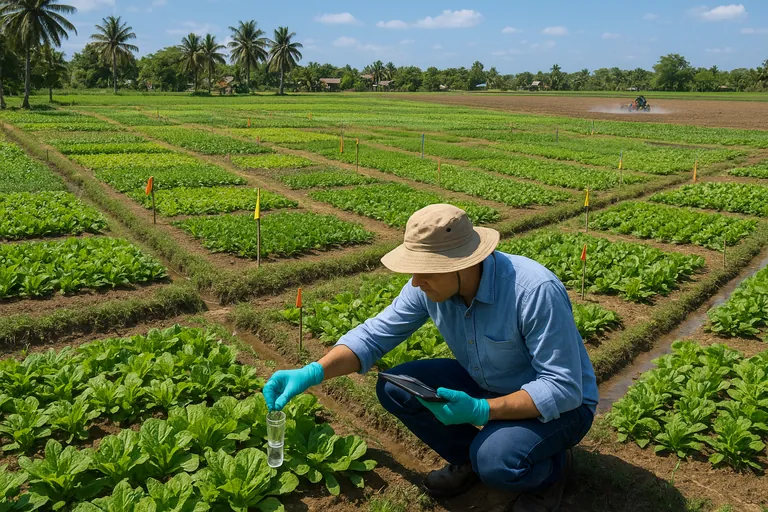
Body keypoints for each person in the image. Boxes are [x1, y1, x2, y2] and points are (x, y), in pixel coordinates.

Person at [263, 204, 598, 512]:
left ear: (463, 263)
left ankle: (551, 471)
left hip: (563, 408)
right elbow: (372, 336)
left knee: (497, 461)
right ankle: (469, 458)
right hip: (489, 382)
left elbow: (563, 388)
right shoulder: (428, 286)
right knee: (396, 387)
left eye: (425, 271)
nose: (415, 281)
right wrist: (311, 373)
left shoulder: (534, 290)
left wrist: (482, 410)